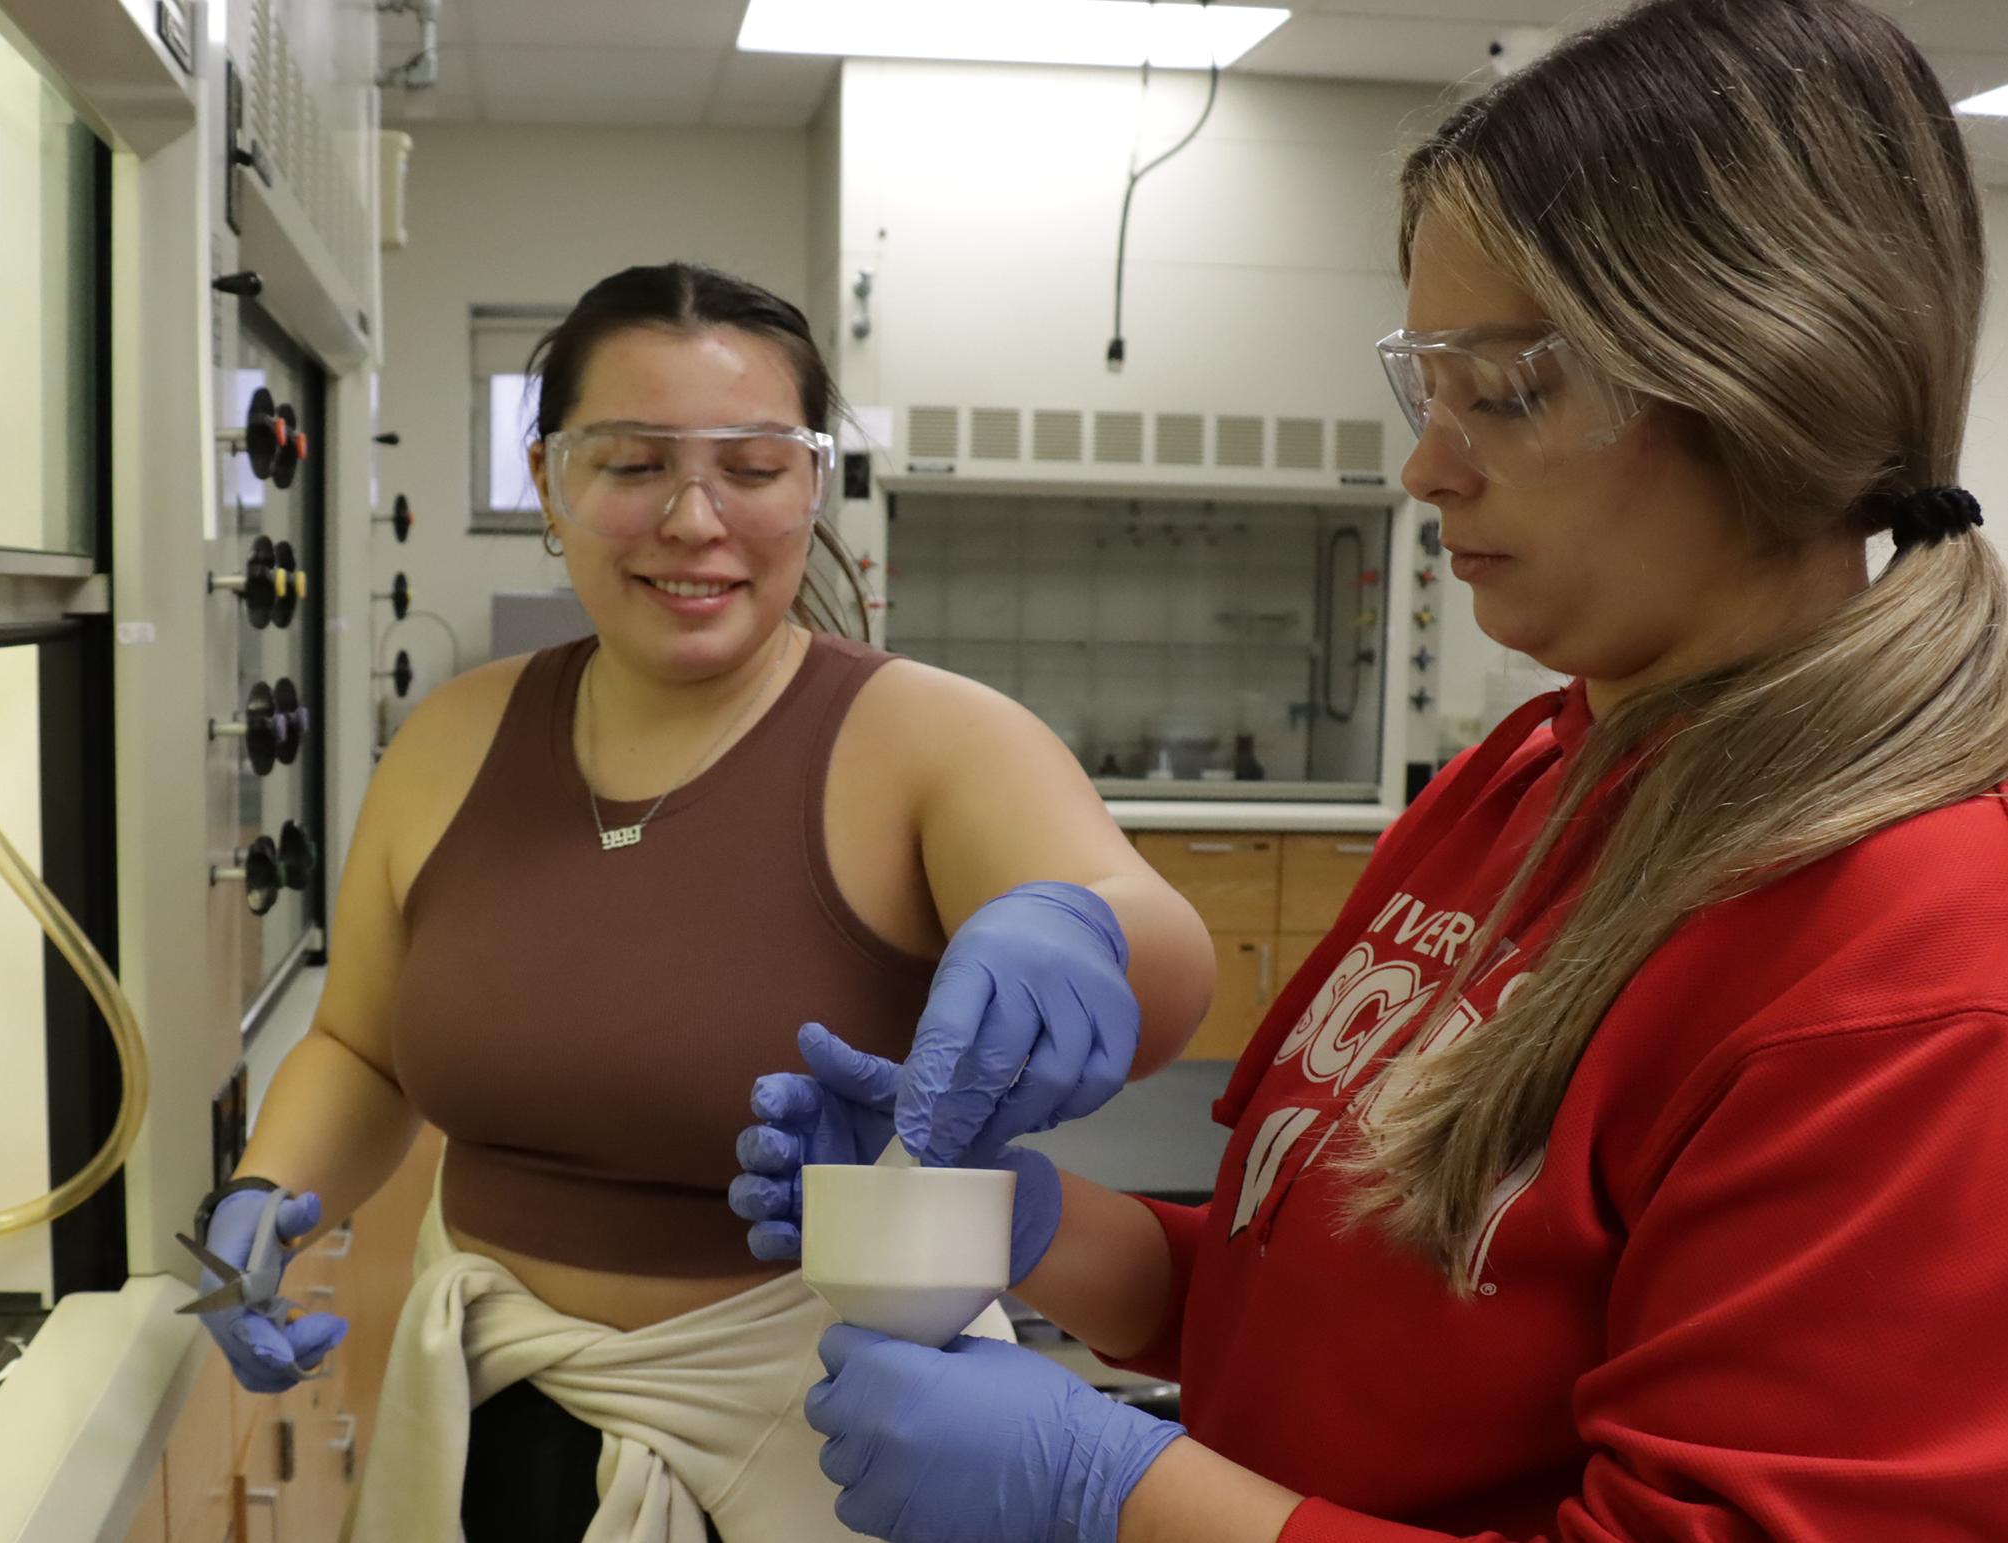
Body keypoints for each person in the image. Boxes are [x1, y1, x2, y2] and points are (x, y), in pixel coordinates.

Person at [731, 1, 2008, 1538]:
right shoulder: (1528, 779)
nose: (1425, 466)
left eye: (1509, 391)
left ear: (1760, 375)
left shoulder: (1910, 956)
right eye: (1430, 384)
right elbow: (1306, 1294)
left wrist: (1112, 1494)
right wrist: (1023, 1222)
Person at [183, 262, 1217, 1541]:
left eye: (752, 465)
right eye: (630, 464)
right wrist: (260, 1197)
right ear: (552, 484)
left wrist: (1089, 925)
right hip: (492, 1416)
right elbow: (358, 1046)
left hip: (837, 1434)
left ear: (812, 487)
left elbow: (1157, 957)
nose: (692, 517)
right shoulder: (448, 741)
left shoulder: (932, 739)